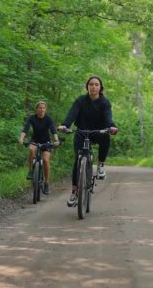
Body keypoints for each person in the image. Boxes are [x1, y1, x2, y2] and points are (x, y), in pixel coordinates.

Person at [58, 75, 118, 207]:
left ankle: (101, 165)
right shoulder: (80, 100)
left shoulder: (104, 102)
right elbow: (72, 113)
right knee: (78, 160)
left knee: (106, 136)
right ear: (87, 87)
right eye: (91, 84)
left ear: (100, 87)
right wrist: (65, 125)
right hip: (82, 132)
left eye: (96, 84)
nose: (94, 86)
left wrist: (111, 126)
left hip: (98, 132)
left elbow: (108, 116)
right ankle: (74, 192)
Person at [19, 101, 60, 195]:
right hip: (35, 141)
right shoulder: (32, 118)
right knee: (31, 150)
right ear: (36, 109)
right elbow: (25, 128)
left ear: (45, 109)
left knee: (45, 160)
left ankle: (46, 183)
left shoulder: (48, 119)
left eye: (43, 108)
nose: (41, 109)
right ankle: (31, 171)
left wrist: (56, 140)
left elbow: (53, 130)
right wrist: (21, 138)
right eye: (40, 108)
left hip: (46, 142)